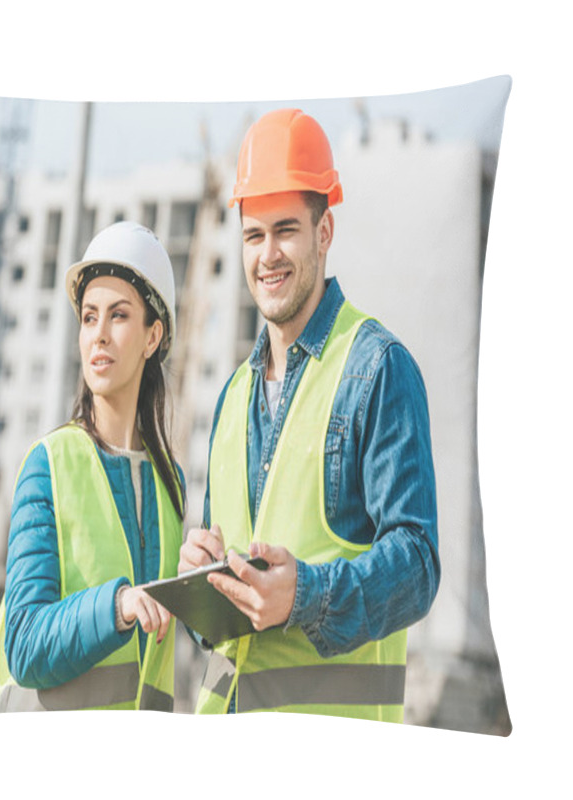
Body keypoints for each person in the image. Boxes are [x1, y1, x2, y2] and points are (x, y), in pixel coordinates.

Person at [179, 108, 440, 721]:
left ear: (324, 233)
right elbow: (228, 621)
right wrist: (202, 585)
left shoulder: (377, 368)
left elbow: (419, 562)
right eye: (253, 235)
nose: (267, 254)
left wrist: (307, 596)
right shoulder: (233, 396)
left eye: (286, 231)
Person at [0, 221, 184, 713]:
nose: (99, 336)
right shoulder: (48, 464)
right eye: (89, 318)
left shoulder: (171, 487)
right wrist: (118, 607)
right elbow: (23, 645)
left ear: (153, 337)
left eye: (118, 316)